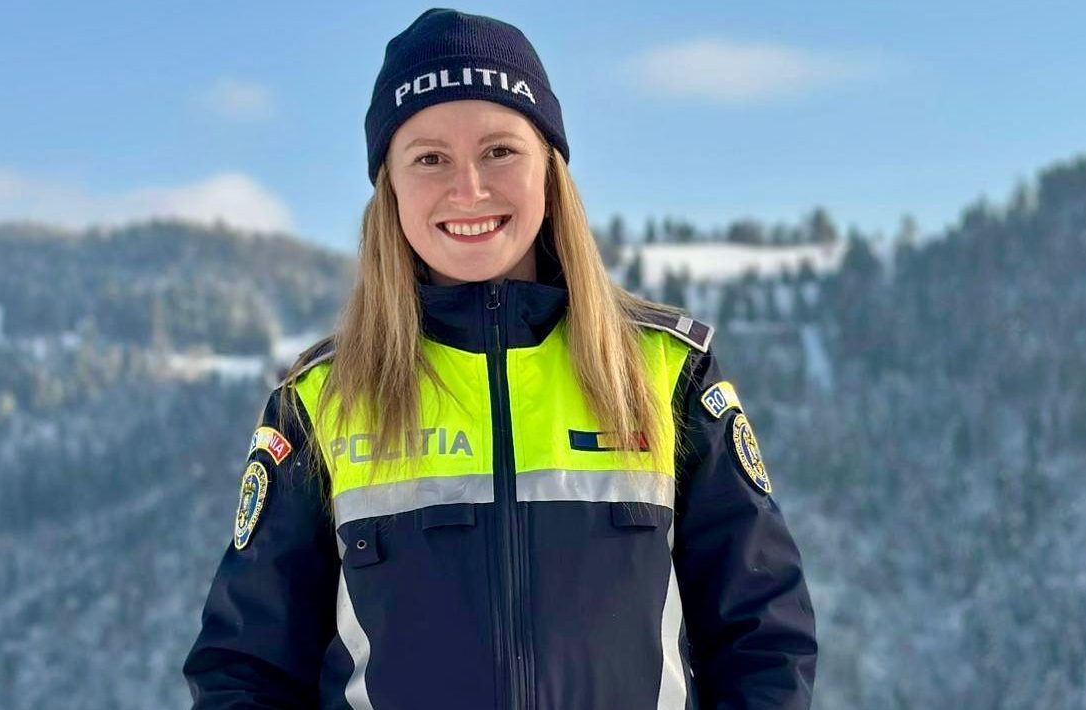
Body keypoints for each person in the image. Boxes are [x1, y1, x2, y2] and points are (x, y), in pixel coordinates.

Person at [183, 8, 816, 709]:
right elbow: (246, 671)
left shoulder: (666, 373)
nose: (469, 189)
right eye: (429, 158)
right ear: (390, 186)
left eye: (499, 151)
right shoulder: (322, 400)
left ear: (550, 168)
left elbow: (763, 638)